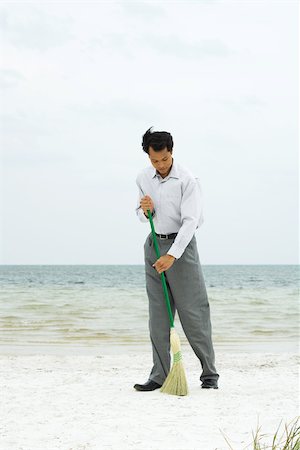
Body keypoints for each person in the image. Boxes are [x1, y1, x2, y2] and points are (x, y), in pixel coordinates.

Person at [134, 127, 219, 392]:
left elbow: (191, 221)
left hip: (180, 248)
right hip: (153, 246)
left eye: (164, 159)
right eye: (154, 160)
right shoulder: (143, 177)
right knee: (158, 316)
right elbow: (141, 214)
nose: (159, 165)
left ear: (171, 152)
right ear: (148, 156)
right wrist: (145, 210)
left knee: (194, 313)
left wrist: (172, 255)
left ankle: (209, 375)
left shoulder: (188, 180)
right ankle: (159, 375)